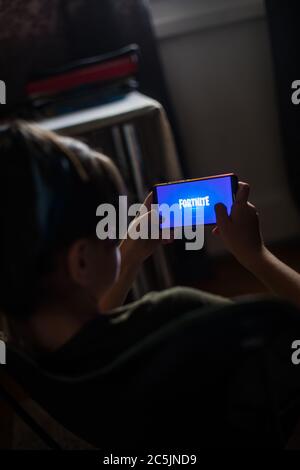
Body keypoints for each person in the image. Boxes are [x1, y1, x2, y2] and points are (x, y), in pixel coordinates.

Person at [1, 121, 300, 449]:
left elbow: (87, 331)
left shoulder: (19, 346)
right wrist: (255, 255)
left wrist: (128, 254)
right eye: (109, 235)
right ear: (81, 261)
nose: (118, 239)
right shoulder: (179, 317)